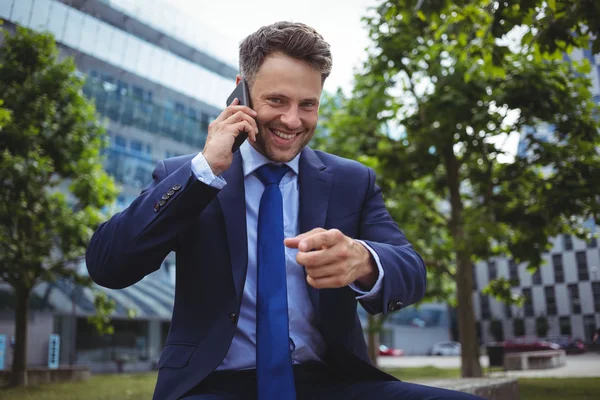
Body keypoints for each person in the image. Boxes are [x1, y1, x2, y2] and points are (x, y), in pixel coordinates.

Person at [86, 21, 483, 400]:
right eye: (277, 100)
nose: (292, 121)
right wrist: (203, 171)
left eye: (307, 105)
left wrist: (363, 261)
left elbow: (412, 271)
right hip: (216, 384)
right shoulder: (186, 176)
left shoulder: (351, 180)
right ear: (241, 92)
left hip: (332, 383)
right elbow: (108, 264)